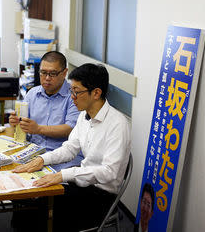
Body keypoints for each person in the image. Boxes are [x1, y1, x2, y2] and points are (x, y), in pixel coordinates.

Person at [13, 63, 131, 231]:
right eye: (71, 90)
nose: (72, 97)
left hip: (101, 195)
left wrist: (64, 175)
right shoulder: (84, 116)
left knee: (43, 207)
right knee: (28, 199)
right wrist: (42, 159)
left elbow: (109, 173)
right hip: (81, 183)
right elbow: (70, 148)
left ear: (96, 93)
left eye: (76, 91)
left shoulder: (118, 124)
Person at [9, 51, 83, 170]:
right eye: (43, 73)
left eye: (53, 73)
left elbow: (71, 129)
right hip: (32, 154)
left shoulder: (74, 96)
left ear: (64, 73)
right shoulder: (32, 94)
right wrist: (15, 122)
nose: (47, 78)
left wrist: (38, 129)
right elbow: (23, 126)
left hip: (62, 160)